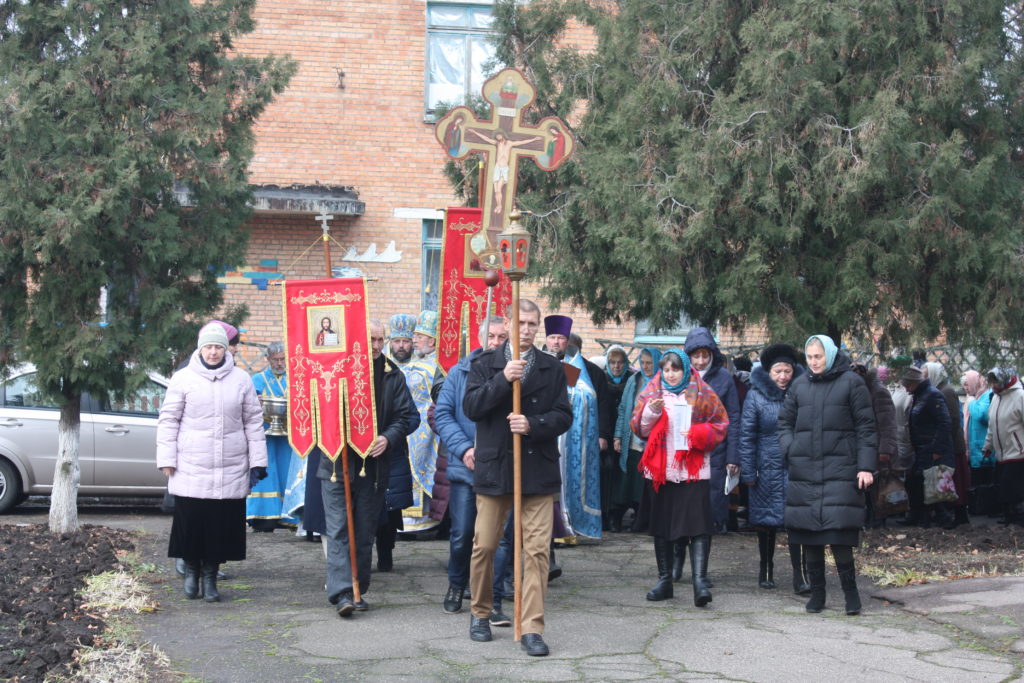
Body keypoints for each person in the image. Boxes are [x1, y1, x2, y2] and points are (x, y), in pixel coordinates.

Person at [463, 299, 572, 657]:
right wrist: (502, 379)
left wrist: (533, 425)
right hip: (496, 468)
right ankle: (480, 612)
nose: (526, 330)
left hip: (537, 469)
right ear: (509, 323)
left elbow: (562, 416)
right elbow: (472, 407)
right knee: (485, 546)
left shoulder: (552, 368)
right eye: (520, 323)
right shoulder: (485, 363)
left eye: (531, 324)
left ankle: (532, 627)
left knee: (537, 552)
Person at [157, 322, 268, 602]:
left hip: (229, 466)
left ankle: (210, 577)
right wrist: (167, 459)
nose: (214, 352)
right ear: (200, 348)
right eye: (209, 346)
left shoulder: (241, 380)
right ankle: (191, 572)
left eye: (218, 346)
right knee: (192, 522)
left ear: (225, 349)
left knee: (220, 526)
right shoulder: (182, 379)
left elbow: (253, 422)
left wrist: (258, 462)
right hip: (191, 465)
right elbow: (168, 421)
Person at [320, 319, 419, 616]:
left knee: (364, 531)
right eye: (371, 339)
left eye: (380, 339)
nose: (376, 346)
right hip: (336, 463)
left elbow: (408, 416)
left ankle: (358, 587)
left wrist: (387, 438)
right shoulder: (337, 370)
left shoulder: (392, 374)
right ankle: (341, 593)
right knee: (338, 529)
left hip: (374, 467)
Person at [777, 335, 877, 616]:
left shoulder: (852, 383)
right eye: (809, 357)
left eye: (818, 357)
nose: (813, 362)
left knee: (840, 534)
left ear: (830, 355)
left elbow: (866, 428)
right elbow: (784, 422)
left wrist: (865, 466)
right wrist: (790, 448)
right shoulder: (799, 385)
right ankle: (817, 594)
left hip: (841, 470)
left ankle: (851, 595)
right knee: (810, 536)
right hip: (805, 471)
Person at [631, 349, 729, 607]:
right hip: (660, 471)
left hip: (693, 470)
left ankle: (699, 582)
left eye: (675, 369)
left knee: (698, 526)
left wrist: (697, 433)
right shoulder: (651, 392)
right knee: (661, 526)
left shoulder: (703, 392)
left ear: (685, 370)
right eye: (667, 370)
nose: (671, 375)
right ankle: (665, 581)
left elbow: (721, 425)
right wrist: (651, 413)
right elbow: (638, 428)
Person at [434, 315, 509, 619]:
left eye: (502, 337)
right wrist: (464, 449)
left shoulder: (515, 374)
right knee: (463, 533)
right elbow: (443, 415)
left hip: (501, 469)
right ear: (480, 339)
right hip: (466, 468)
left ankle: (495, 598)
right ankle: (456, 584)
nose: (496, 343)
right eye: (491, 336)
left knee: (498, 538)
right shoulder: (460, 372)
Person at [738, 344, 809, 593]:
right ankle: (765, 569)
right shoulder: (755, 395)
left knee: (797, 522)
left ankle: (801, 576)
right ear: (768, 372)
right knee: (766, 522)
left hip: (795, 466)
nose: (782, 377)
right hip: (765, 468)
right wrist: (747, 472)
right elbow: (747, 435)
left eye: (787, 371)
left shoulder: (802, 392)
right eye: (778, 371)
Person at [683, 327, 740, 587]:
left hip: (715, 454)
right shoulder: (681, 376)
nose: (701, 361)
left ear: (712, 355)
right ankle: (675, 566)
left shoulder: (725, 379)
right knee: (683, 511)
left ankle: (701, 572)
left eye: (705, 355)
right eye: (696, 356)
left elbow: (734, 419)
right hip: (685, 454)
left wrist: (733, 455)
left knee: (707, 514)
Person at [546, 316, 606, 540]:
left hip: (568, 437)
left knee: (566, 479)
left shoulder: (573, 364)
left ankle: (567, 524)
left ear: (567, 341)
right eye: (552, 337)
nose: (556, 342)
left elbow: (587, 394)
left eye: (560, 338)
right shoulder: (539, 360)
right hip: (543, 432)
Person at [247, 342, 303, 532]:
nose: (279, 363)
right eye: (275, 360)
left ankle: (290, 515)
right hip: (266, 434)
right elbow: (249, 405)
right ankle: (263, 517)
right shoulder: (258, 380)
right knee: (267, 472)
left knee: (288, 471)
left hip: (289, 435)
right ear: (268, 360)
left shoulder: (296, 379)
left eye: (282, 359)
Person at [612, 347, 661, 535]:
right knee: (626, 481)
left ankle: (641, 520)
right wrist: (617, 436)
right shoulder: (635, 380)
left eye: (650, 363)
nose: (646, 366)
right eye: (643, 362)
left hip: (651, 443)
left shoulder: (662, 383)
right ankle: (617, 517)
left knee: (643, 484)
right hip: (631, 439)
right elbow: (624, 409)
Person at [900, 365, 954, 528]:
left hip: (931, 448)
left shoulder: (932, 395)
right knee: (920, 482)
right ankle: (924, 516)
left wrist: (937, 449)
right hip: (922, 447)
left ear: (914, 383)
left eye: (908, 385)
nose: (906, 389)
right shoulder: (920, 395)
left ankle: (940, 517)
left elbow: (945, 422)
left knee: (929, 482)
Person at [923, 362, 970, 526]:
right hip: (947, 443)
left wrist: (943, 439)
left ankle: (960, 514)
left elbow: (953, 419)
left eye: (926, 374)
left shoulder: (946, 391)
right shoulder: (938, 390)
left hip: (953, 445)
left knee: (955, 480)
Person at [852, 363, 898, 527]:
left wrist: (885, 449)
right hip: (868, 445)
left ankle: (879, 519)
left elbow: (888, 423)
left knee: (879, 485)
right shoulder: (863, 391)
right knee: (869, 486)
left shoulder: (878, 392)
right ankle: (870, 518)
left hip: (878, 446)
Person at [982, 367, 1024, 526]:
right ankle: (1009, 517)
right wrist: (988, 446)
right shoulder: (996, 398)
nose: (993, 386)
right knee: (1002, 486)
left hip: (1018, 452)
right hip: (1002, 452)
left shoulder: (1020, 396)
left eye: (996, 382)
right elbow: (992, 426)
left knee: (1012, 488)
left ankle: (1017, 518)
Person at [601, 345, 636, 532]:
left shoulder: (632, 381)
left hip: (624, 434)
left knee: (621, 475)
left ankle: (617, 514)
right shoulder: (602, 379)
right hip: (606, 434)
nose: (616, 366)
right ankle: (605, 515)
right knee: (606, 476)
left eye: (620, 363)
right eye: (613, 362)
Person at [962, 370, 996, 516]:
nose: (966, 388)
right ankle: (979, 507)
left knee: (986, 479)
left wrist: (971, 402)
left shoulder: (986, 396)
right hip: (974, 447)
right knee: (977, 480)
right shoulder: (977, 397)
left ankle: (987, 508)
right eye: (963, 385)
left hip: (983, 446)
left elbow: (982, 415)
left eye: (967, 384)